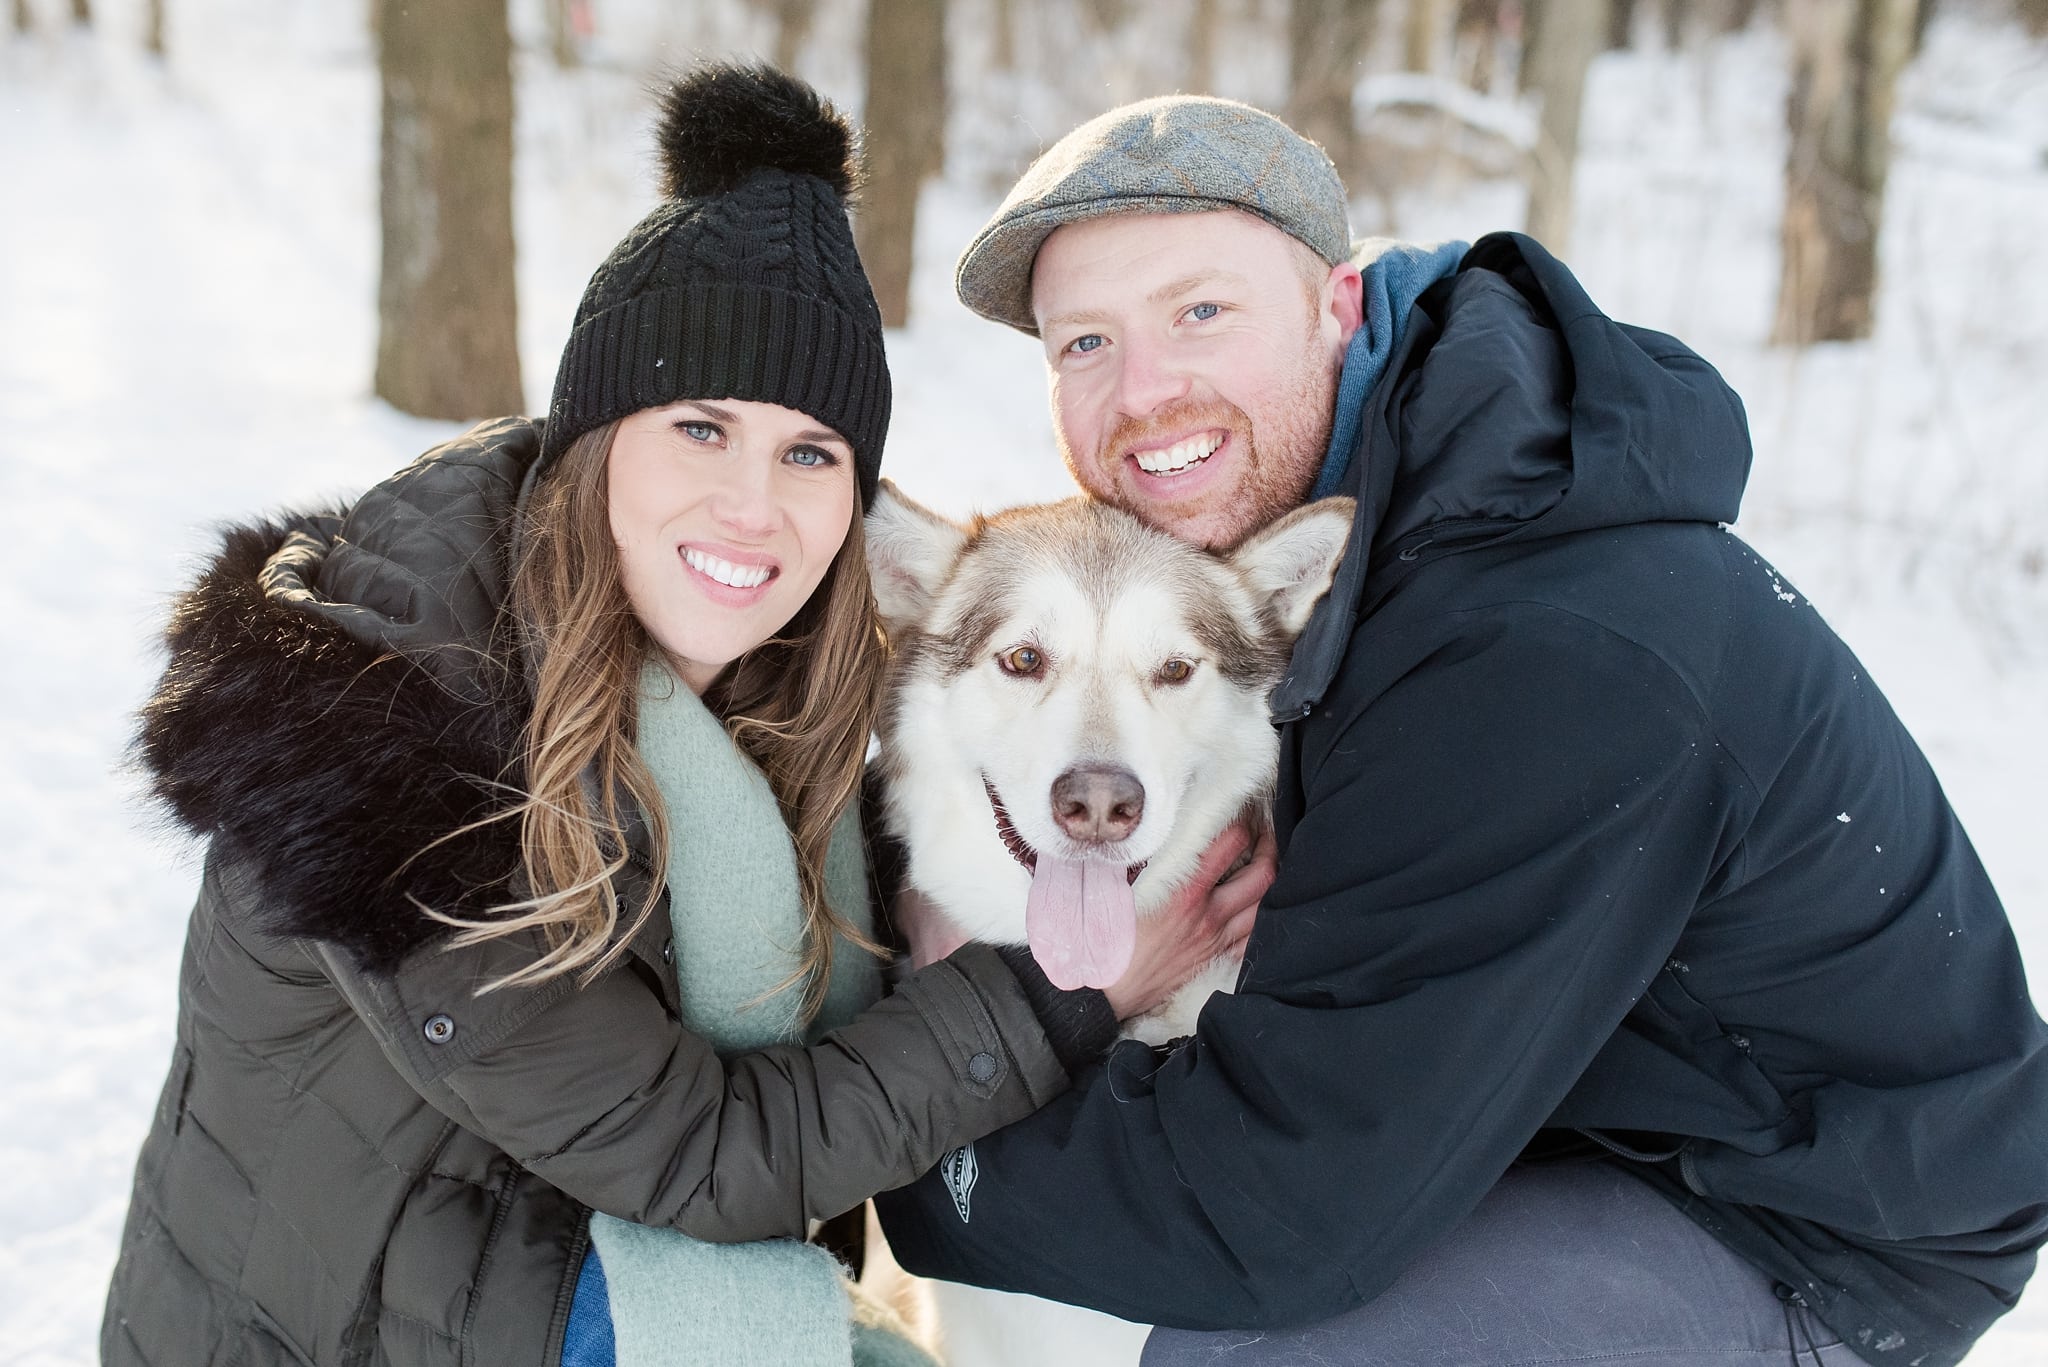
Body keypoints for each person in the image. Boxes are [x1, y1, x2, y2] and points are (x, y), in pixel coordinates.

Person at [98, 66, 1253, 1367]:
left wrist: (931, 877)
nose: (753, 505)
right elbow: (695, 1150)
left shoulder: (758, 665)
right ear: (596, 437)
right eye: (702, 427)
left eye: (809, 452)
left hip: (546, 1260)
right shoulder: (382, 738)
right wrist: (1054, 997)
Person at [871, 94, 2048, 1367]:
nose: (1145, 391)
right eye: (1085, 341)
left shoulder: (1534, 647)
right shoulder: (1359, 515)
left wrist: (921, 1144)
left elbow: (1279, 1214)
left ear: (1337, 302)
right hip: (1537, 1113)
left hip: (1802, 1219)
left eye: (1199, 311)